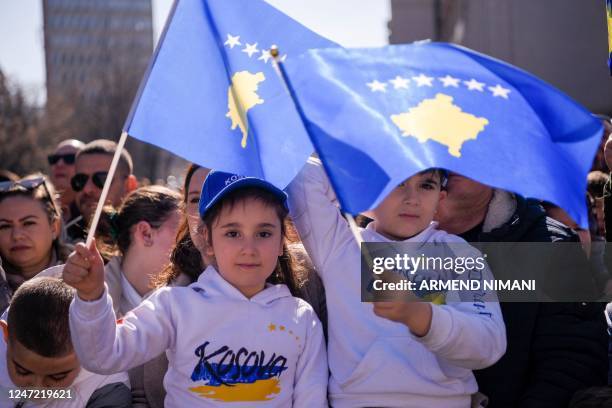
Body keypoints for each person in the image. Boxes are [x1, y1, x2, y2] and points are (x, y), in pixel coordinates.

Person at [63, 171, 328, 406]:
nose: (249, 249)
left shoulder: (303, 318)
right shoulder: (174, 306)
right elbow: (103, 356)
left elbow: (311, 399)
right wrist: (90, 297)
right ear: (207, 240)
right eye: (233, 233)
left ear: (283, 241)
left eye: (264, 233)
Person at [287, 158, 506, 407]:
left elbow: (489, 344)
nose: (412, 199)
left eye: (426, 185)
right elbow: (304, 177)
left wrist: (422, 317)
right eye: (397, 183)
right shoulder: (340, 246)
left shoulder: (460, 255)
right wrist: (371, 161)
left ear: (440, 200)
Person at [436, 172, 608, 408]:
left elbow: (572, 363)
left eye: (460, 143)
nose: (446, 155)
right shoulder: (371, 246)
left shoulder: (551, 247)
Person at [0, 277, 131, 407]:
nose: (37, 390)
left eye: (57, 377)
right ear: (6, 334)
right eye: (23, 371)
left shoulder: (108, 391)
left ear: (87, 347)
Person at [0, 175, 71, 293]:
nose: (17, 235)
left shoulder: (86, 276)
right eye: (5, 226)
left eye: (28, 223)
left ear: (54, 227)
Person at [67, 139, 137, 243]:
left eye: (101, 180)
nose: (87, 189)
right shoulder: (59, 240)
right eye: (81, 180)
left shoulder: (146, 239)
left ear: (129, 185)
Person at [47, 139, 85, 223]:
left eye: (70, 158)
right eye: (54, 159)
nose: (59, 164)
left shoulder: (94, 214)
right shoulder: (38, 207)